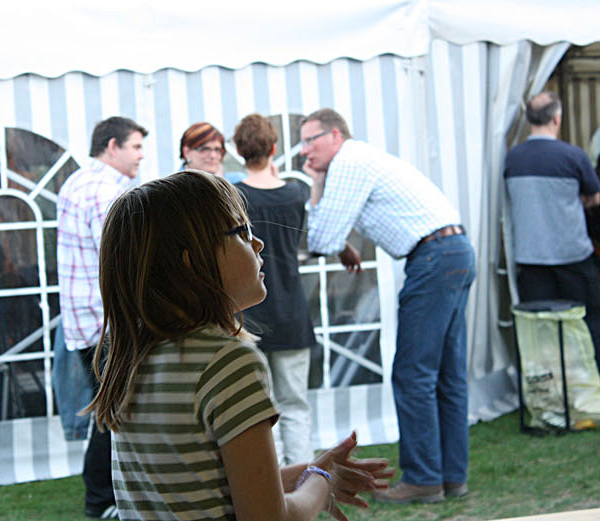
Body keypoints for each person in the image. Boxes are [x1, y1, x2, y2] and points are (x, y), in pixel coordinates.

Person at [84, 170, 394, 521]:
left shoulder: (136, 357)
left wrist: (311, 473)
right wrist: (321, 483)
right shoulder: (226, 361)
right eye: (242, 232)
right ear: (191, 263)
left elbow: (204, 485)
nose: (258, 244)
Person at [301, 108, 476, 504]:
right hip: (453, 251)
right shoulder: (361, 158)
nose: (304, 151)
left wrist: (317, 185)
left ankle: (425, 479)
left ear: (335, 135)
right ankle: (451, 477)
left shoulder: (347, 162)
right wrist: (340, 238)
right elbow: (330, 237)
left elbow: (321, 238)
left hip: (434, 259)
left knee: (413, 374)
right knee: (447, 375)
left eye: (310, 140)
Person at [57, 116, 148, 519]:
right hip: (105, 320)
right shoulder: (103, 190)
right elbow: (122, 258)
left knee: (110, 409)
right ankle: (101, 499)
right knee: (117, 412)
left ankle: (106, 497)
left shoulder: (78, 182)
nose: (141, 156)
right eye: (135, 146)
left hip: (88, 319)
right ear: (112, 146)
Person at [505, 91, 600, 396]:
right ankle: (598, 389)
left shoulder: (512, 158)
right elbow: (595, 198)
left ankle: (549, 394)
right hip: (572, 255)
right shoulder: (573, 156)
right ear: (557, 119)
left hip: (531, 259)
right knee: (588, 323)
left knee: (541, 331)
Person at [232, 113, 316, 465]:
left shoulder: (235, 196)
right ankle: (305, 482)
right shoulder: (295, 194)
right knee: (295, 405)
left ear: (239, 150)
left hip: (249, 313)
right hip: (291, 310)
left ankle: (272, 487)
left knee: (258, 411)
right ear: (274, 148)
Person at [179, 121, 246, 183]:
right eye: (205, 149)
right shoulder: (174, 187)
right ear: (186, 152)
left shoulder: (240, 182)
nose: (213, 155)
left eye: (217, 149)